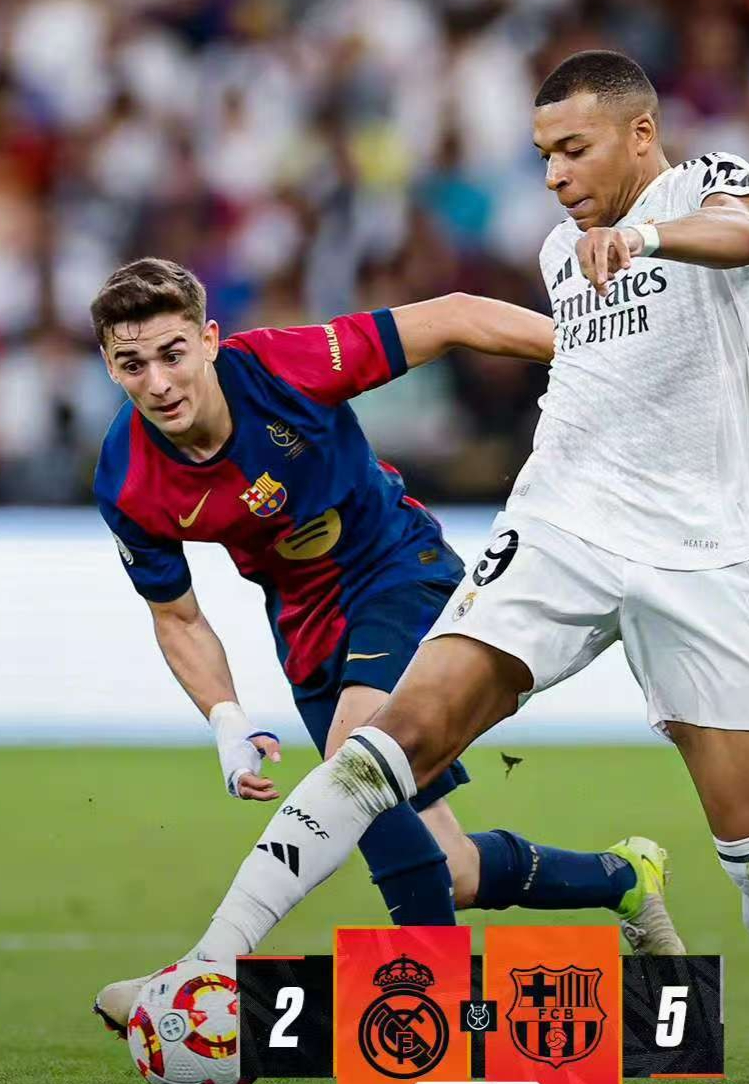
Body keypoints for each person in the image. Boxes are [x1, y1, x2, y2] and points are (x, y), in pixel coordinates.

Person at [89, 257, 685, 1033]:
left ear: (208, 340)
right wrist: (226, 718)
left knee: (352, 763)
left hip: (400, 573)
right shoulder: (127, 477)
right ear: (111, 367)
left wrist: (596, 360)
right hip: (309, 637)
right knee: (450, 870)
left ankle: (401, 1018)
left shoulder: (281, 366)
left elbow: (455, 315)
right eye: (133, 364)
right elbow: (177, 617)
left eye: (172, 354)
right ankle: (623, 878)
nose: (159, 383)